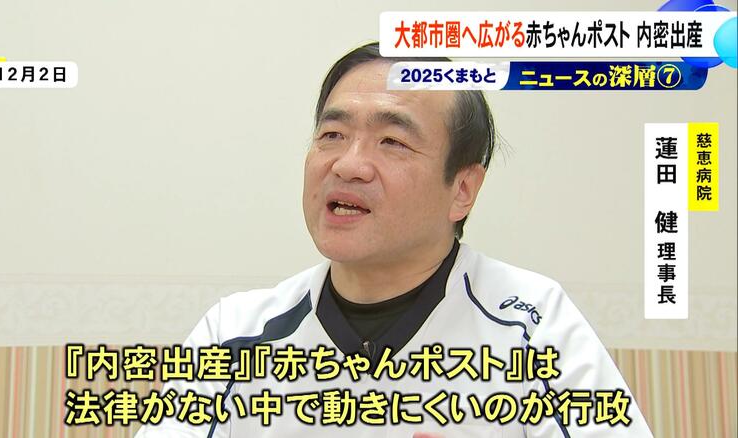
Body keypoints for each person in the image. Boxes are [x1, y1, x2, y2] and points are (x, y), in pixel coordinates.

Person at [135, 42, 653, 437]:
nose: (349, 164)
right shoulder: (234, 333)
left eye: (392, 141)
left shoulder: (533, 326)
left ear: (462, 189)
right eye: (332, 135)